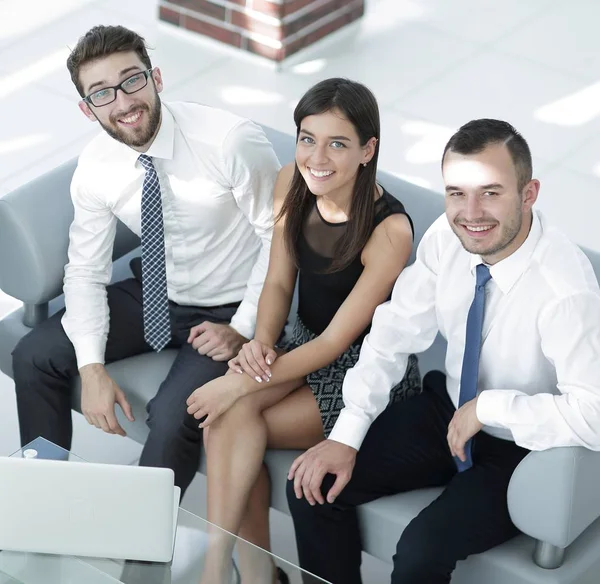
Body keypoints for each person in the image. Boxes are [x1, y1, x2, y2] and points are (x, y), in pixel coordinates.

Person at [286, 118, 600, 584]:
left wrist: (491, 408)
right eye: (457, 193)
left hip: (519, 446)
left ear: (529, 193)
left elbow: (594, 414)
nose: (470, 212)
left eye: (491, 192)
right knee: (313, 485)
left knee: (419, 552)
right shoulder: (447, 237)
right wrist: (346, 435)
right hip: (447, 408)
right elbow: (393, 332)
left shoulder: (564, 291)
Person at [10, 25, 280, 497]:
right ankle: (42, 498)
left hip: (228, 306)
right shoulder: (95, 166)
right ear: (86, 109)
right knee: (34, 355)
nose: (123, 102)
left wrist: (245, 325)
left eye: (132, 80)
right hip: (155, 292)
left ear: (156, 77)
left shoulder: (230, 142)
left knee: (177, 413)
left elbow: (280, 242)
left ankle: (141, 552)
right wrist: (91, 366)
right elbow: (86, 271)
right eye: (102, 93)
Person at [185, 78, 421, 583]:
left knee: (231, 421)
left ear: (367, 150)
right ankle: (247, 570)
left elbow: (338, 342)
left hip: (362, 368)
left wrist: (241, 381)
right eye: (307, 138)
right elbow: (276, 281)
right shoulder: (293, 178)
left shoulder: (389, 230)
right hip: (299, 341)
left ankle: (230, 574)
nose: (317, 157)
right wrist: (261, 344)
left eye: (338, 143)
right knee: (231, 418)